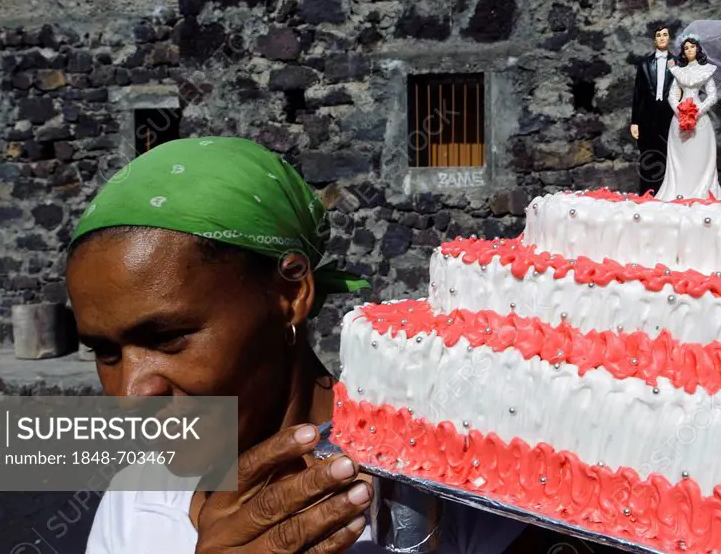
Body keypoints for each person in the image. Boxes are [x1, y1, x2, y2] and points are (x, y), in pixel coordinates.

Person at [66, 137, 525, 553]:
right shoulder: (136, 499)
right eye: (105, 353)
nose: (132, 395)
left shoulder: (452, 492)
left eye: (167, 338)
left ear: (290, 294)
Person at [654, 36, 721, 200]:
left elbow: (712, 95)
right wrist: (680, 111)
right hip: (679, 118)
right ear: (683, 52)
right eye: (686, 48)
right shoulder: (679, 71)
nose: (689, 50)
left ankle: (702, 189)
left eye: (692, 47)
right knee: (681, 155)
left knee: (699, 155)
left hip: (699, 118)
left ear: (698, 49)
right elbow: (672, 95)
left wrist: (697, 111)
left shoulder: (706, 70)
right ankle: (680, 189)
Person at [630, 24, 676, 195]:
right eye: (659, 35)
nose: (662, 38)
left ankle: (666, 193)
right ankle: (647, 193)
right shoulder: (644, 64)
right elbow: (638, 94)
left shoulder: (677, 63)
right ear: (654, 39)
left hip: (669, 116)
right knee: (647, 155)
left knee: (667, 155)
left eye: (665, 34)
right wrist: (635, 121)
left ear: (669, 38)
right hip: (647, 117)